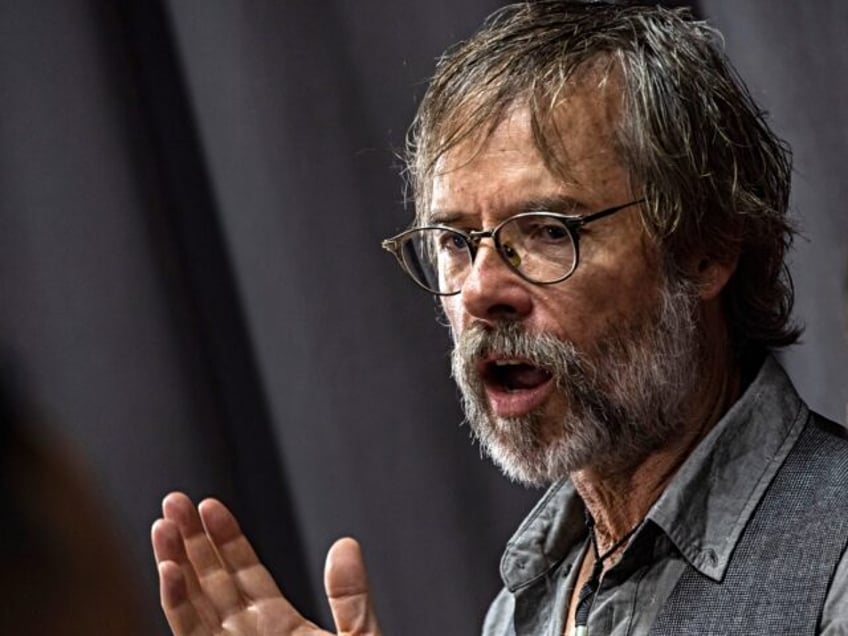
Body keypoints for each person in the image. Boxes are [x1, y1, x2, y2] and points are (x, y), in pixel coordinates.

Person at [151, 2, 848, 634]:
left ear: (705, 251)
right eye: (455, 243)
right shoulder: (522, 606)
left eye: (547, 231)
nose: (482, 290)